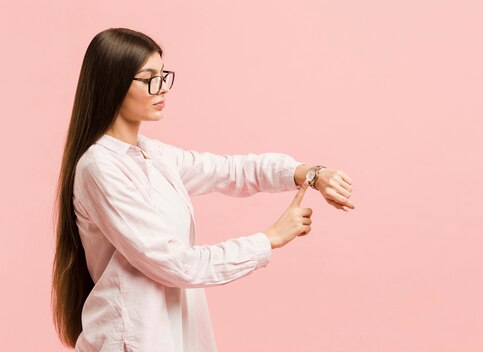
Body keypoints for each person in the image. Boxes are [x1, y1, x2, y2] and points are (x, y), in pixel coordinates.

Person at [51, 27, 355, 352]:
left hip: (172, 335)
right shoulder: (101, 168)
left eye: (164, 75)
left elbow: (228, 170)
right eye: (149, 78)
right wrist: (269, 238)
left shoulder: (153, 155)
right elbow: (174, 263)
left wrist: (308, 173)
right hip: (131, 340)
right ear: (114, 83)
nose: (162, 88)